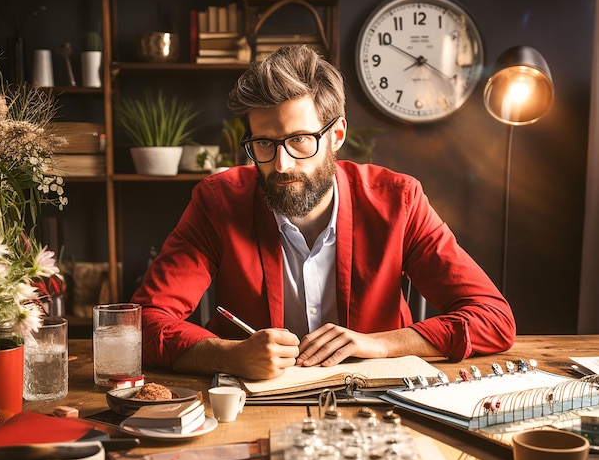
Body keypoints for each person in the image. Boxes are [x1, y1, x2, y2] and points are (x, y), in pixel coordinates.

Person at [132, 45, 515, 380]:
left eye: (299, 140)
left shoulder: (399, 200)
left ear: (336, 136)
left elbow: (492, 319)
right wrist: (229, 355)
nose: (280, 164)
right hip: (252, 408)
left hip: (379, 409)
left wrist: (376, 345)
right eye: (264, 143)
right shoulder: (218, 202)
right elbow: (143, 323)